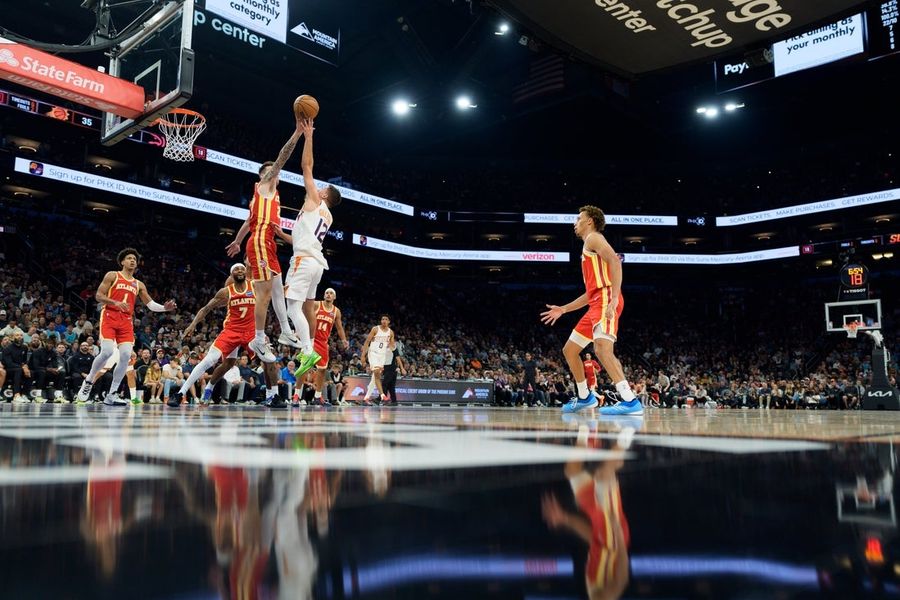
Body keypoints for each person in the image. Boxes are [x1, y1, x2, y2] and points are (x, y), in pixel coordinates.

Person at [541, 206, 641, 415]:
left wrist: (613, 299)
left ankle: (630, 401)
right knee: (570, 350)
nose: (574, 222)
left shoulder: (593, 238)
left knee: (603, 350)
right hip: (597, 300)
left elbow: (615, 260)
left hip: (606, 299)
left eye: (579, 218)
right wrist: (564, 309)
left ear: (590, 221)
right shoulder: (589, 247)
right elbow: (590, 294)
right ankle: (585, 396)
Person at [225, 115, 308, 363]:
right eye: (270, 171)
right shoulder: (265, 185)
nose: (275, 173)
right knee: (263, 295)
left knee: (277, 286)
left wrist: (238, 241)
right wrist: (297, 134)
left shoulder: (269, 197)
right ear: (265, 175)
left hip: (266, 242)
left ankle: (284, 331)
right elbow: (281, 158)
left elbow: (246, 222)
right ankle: (259, 340)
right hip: (261, 242)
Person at [273, 118, 342, 377]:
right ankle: (309, 346)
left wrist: (308, 136)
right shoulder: (327, 216)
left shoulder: (315, 199)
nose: (319, 187)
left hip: (304, 261)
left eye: (322, 188)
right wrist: (283, 235)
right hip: (315, 264)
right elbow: (305, 238)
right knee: (307, 307)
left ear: (324, 195)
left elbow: (306, 166)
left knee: (291, 306)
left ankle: (305, 348)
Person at [174, 264, 286, 408]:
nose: (240, 271)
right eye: (236, 270)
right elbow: (206, 308)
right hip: (232, 330)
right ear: (231, 275)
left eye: (242, 269)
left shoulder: (255, 286)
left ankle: (273, 396)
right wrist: (192, 324)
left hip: (251, 331)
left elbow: (271, 294)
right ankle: (182, 393)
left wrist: (282, 289)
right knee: (214, 360)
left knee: (269, 359)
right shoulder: (226, 291)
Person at [75, 248, 176, 405]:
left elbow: (150, 304)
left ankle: (112, 394)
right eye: (129, 258)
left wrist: (165, 308)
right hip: (109, 316)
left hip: (126, 321)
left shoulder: (138, 284)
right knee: (107, 351)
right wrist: (115, 302)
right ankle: (88, 381)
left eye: (134, 259)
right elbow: (98, 296)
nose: (132, 260)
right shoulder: (112, 275)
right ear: (122, 261)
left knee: (125, 356)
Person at [294, 287, 349, 407]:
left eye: (331, 293)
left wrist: (344, 340)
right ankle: (296, 395)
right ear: (324, 295)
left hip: (323, 342)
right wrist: (298, 331)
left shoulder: (336, 311)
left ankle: (318, 397)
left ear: (334, 297)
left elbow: (339, 328)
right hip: (311, 340)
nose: (328, 295)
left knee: (322, 369)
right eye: (326, 293)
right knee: (304, 367)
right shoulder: (315, 304)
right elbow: (302, 317)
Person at [360, 315, 395, 404]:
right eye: (382, 319)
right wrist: (363, 356)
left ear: (389, 322)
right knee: (376, 373)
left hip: (382, 356)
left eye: (386, 319)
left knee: (374, 378)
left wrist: (394, 349)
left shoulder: (391, 333)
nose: (384, 320)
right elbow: (367, 341)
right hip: (373, 353)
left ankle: (366, 398)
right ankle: (383, 396)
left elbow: (392, 346)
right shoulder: (375, 329)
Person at [2, 331, 30, 403]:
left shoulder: (24, 347)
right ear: (13, 337)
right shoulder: (7, 349)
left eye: (21, 335)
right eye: (17, 335)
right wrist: (22, 367)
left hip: (20, 368)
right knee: (19, 370)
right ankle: (16, 395)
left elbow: (24, 361)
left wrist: (25, 366)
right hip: (9, 370)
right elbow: (9, 364)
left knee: (31, 372)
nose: (20, 337)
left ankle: (24, 394)